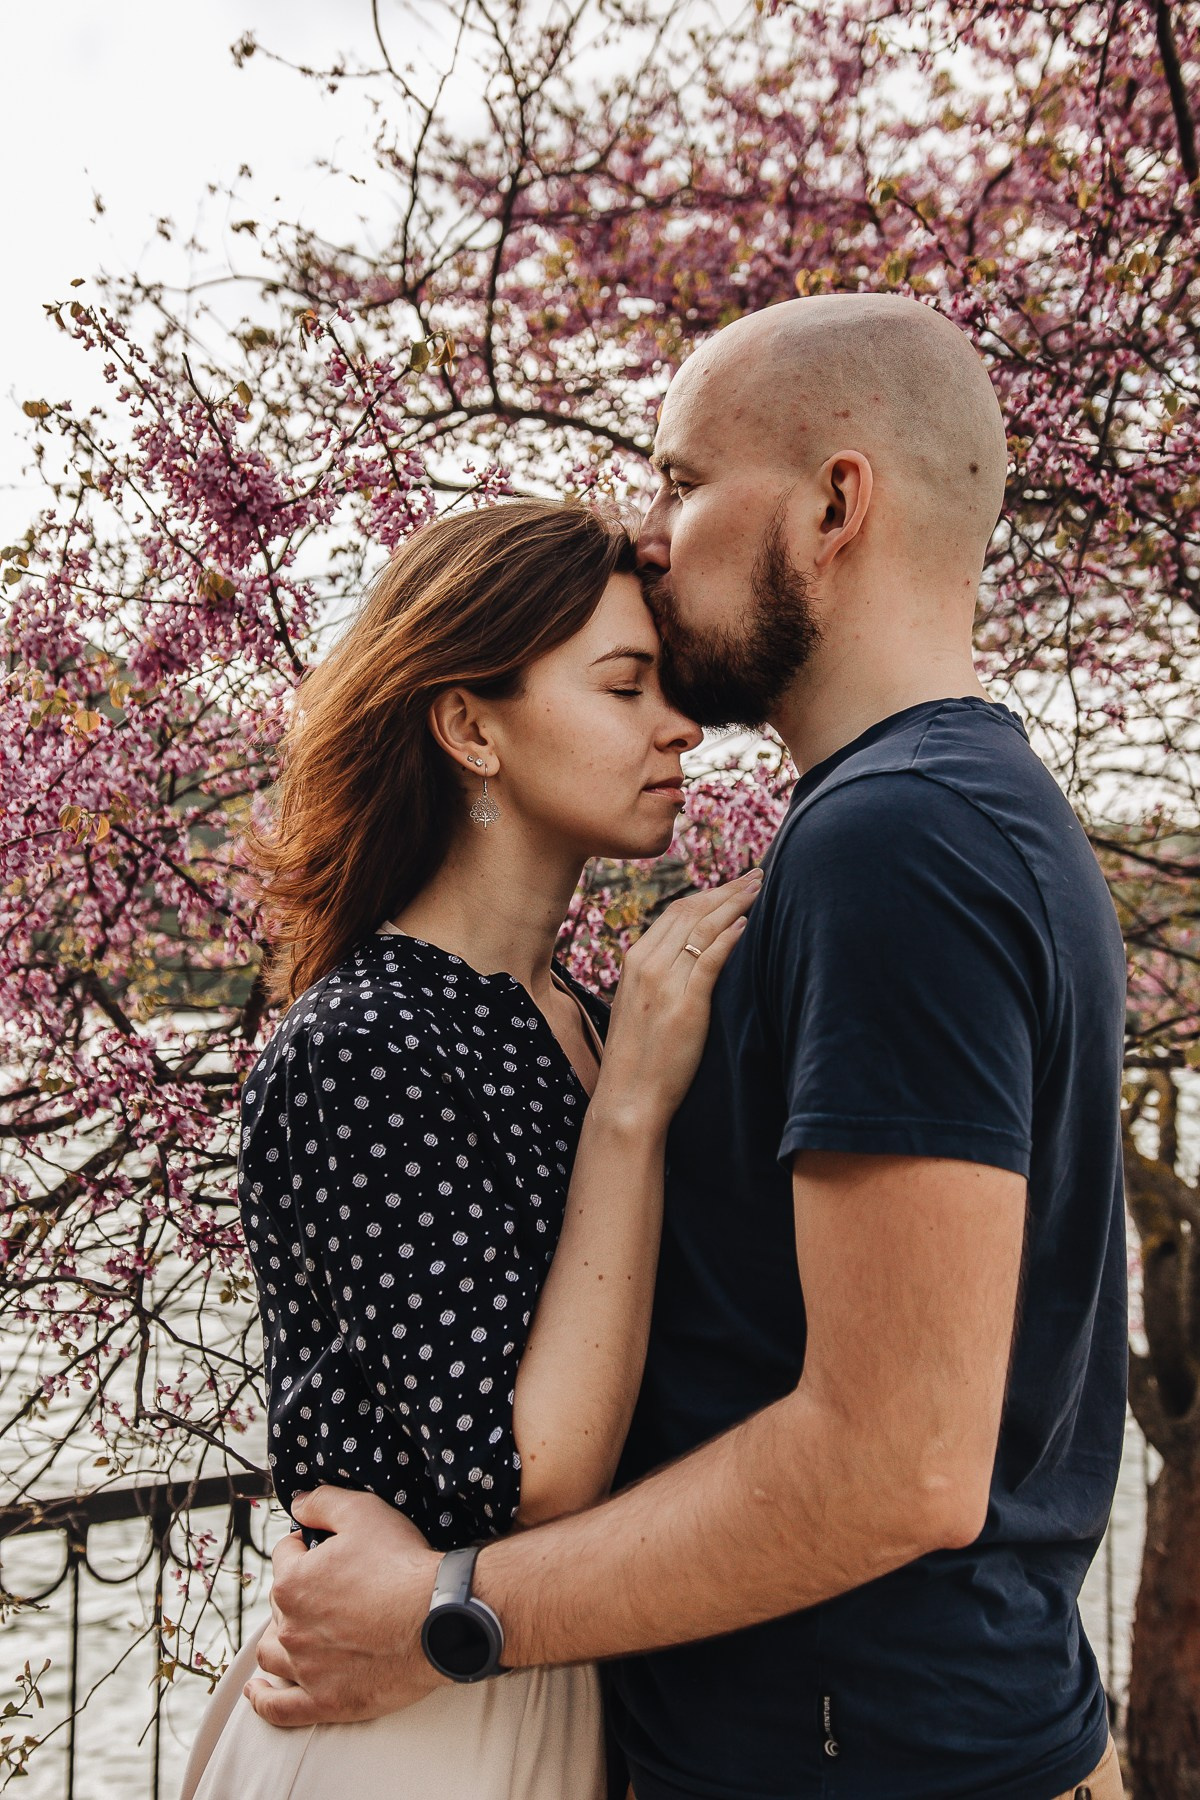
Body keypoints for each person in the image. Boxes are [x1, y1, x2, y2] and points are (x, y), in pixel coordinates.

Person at [244, 295, 1130, 1800]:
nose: (651, 537)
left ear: (837, 502)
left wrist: (453, 1615)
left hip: (868, 1759)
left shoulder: (894, 842)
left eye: (679, 480)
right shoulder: (949, 818)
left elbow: (892, 1461)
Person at [179, 498, 761, 1800]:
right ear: (467, 725)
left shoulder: (584, 1022)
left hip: (549, 1675)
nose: (681, 728)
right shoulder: (366, 1048)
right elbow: (532, 1479)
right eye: (626, 686)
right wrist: (630, 1113)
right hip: (414, 1726)